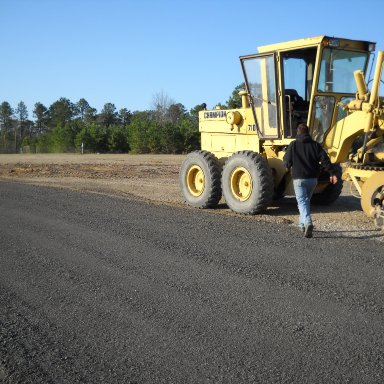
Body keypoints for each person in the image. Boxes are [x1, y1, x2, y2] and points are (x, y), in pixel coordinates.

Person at [283, 123, 337, 238]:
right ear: (308, 133)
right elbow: (325, 160)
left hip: (298, 179)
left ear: (297, 132)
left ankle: (308, 222)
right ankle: (302, 225)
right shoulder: (315, 145)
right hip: (313, 180)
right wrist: (332, 173)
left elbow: (286, 162)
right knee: (305, 201)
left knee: (302, 202)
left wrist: (287, 166)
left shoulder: (293, 145)